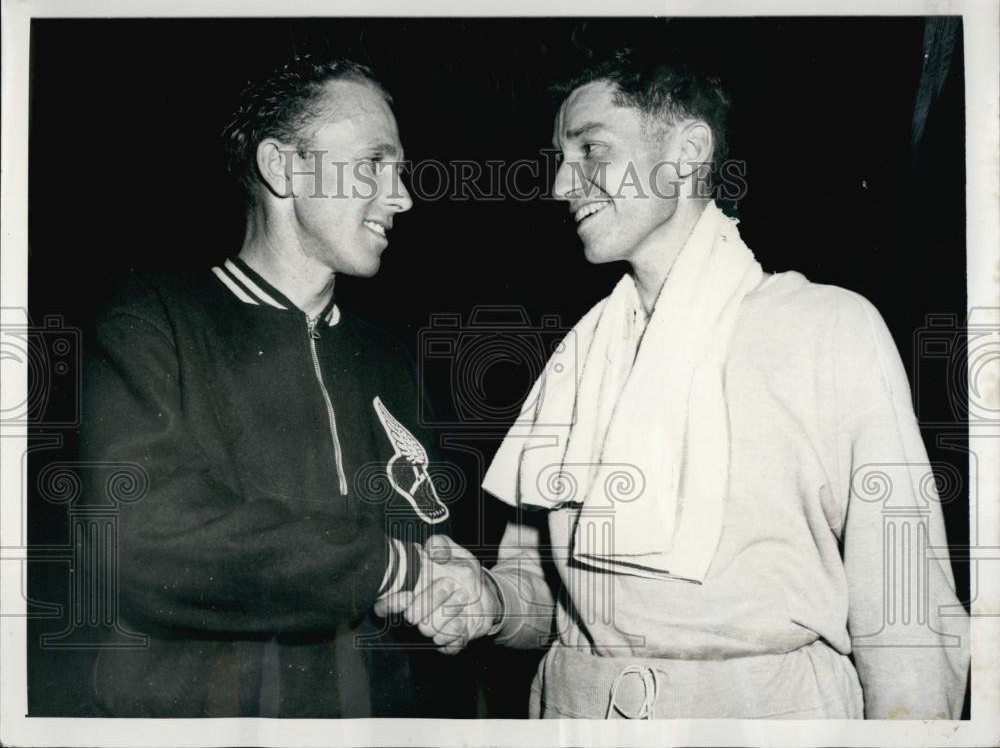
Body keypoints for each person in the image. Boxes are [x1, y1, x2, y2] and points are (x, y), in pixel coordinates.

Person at [380, 49, 970, 719]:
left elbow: (906, 605)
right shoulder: (578, 357)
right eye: (559, 158)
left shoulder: (826, 330)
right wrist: (487, 600)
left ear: (689, 151)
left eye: (591, 149)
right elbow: (542, 594)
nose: (560, 186)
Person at [81, 55, 466, 717]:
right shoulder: (153, 323)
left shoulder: (387, 358)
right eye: (375, 162)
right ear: (283, 167)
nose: (403, 195)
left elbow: (423, 539)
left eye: (399, 170)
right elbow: (143, 532)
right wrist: (391, 568)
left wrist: (455, 592)